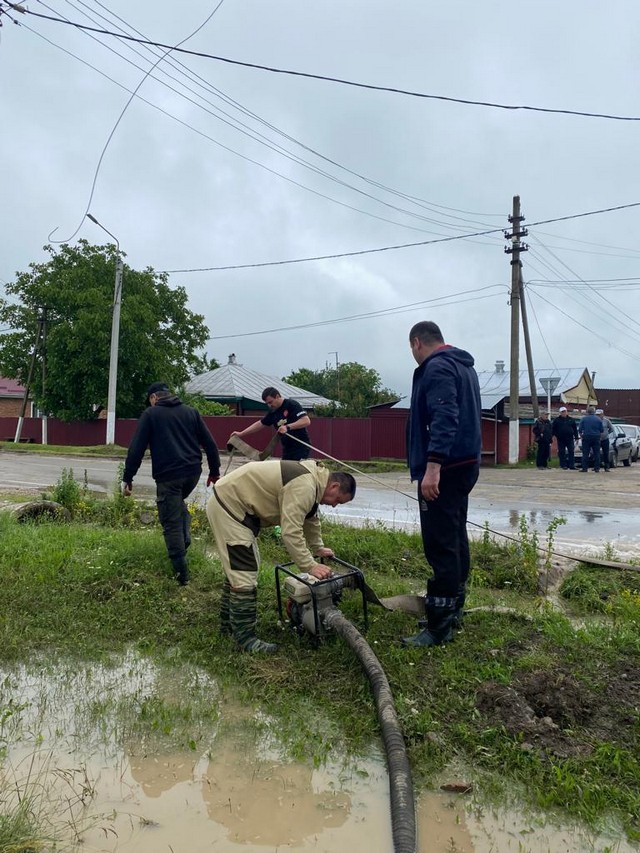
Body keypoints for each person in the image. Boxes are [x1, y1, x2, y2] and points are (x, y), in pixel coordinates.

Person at [206, 459, 356, 652]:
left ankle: (227, 627)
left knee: (239, 571)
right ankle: (245, 641)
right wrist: (310, 566)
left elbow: (310, 517)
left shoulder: (313, 480)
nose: (335, 505)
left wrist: (318, 548)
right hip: (230, 508)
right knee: (244, 575)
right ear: (334, 486)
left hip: (235, 507)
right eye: (338, 500)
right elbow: (291, 530)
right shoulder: (305, 485)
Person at [402, 321, 482, 648]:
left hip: (445, 469)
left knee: (440, 542)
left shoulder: (436, 367)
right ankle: (453, 610)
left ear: (417, 342)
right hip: (465, 464)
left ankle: (439, 627)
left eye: (411, 349)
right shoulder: (464, 367)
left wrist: (433, 466)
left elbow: (445, 415)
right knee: (454, 534)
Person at [122, 382, 221, 585]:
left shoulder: (151, 414)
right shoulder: (191, 412)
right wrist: (214, 472)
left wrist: (128, 477)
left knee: (170, 523)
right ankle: (183, 539)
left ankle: (181, 577)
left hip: (169, 477)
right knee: (176, 504)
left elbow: (136, 448)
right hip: (193, 473)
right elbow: (210, 443)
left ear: (153, 398)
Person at [229, 388, 311, 461]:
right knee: (285, 474)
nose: (269, 405)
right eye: (267, 403)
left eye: (270, 402)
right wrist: (241, 433)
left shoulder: (292, 405)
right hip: (287, 449)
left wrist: (288, 427)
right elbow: (260, 424)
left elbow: (306, 421)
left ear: (277, 396)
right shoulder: (273, 411)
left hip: (301, 447)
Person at [578, 406, 604, 472]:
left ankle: (584, 468)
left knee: (585, 453)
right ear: (594, 412)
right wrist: (599, 437)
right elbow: (601, 430)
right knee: (596, 453)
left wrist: (581, 436)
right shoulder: (598, 419)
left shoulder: (584, 419)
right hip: (596, 437)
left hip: (586, 437)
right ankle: (597, 468)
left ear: (587, 412)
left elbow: (580, 429)